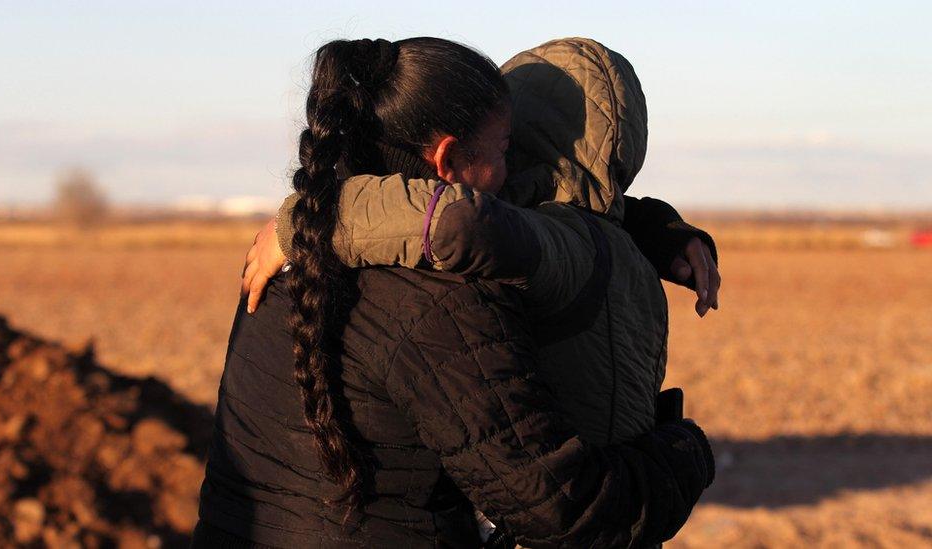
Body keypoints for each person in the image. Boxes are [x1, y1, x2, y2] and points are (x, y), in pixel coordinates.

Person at [193, 37, 714, 548]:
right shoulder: (442, 297)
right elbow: (558, 506)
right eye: (507, 149)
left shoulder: (290, 249)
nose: (511, 173)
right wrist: (685, 453)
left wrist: (647, 228)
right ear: (447, 159)